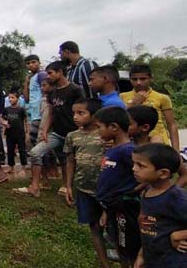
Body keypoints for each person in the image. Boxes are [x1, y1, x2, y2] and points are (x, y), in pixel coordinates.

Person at [15, 61, 85, 198]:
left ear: (60, 72)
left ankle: (66, 186)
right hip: (56, 133)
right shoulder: (53, 92)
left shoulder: (75, 90)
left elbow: (83, 111)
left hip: (73, 133)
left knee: (66, 160)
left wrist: (81, 131)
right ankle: (35, 187)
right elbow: (51, 113)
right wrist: (46, 131)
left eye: (50, 73)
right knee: (35, 152)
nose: (47, 75)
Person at [63, 98, 110, 268]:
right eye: (74, 113)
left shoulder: (105, 135)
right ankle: (105, 263)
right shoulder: (72, 136)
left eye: (81, 113)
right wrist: (68, 185)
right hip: (83, 188)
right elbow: (70, 161)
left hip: (106, 190)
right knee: (94, 226)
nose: (75, 117)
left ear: (95, 115)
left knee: (113, 227)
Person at [95, 107, 140, 267]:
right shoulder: (113, 149)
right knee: (120, 247)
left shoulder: (128, 151)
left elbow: (146, 175)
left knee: (128, 248)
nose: (98, 131)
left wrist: (132, 192)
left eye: (99, 127)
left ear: (114, 127)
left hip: (125, 209)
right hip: (113, 207)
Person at [133, 144, 187, 267]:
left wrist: (178, 235)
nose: (134, 169)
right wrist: (141, 255)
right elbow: (148, 228)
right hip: (154, 260)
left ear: (163, 173)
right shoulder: (147, 191)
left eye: (140, 165)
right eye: (134, 163)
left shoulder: (176, 198)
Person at [120, 64, 180, 150]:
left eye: (143, 79)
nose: (138, 82)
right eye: (134, 79)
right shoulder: (122, 97)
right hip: (133, 143)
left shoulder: (162, 98)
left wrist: (176, 150)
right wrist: (133, 103)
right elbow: (119, 119)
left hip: (159, 143)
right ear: (130, 80)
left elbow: (171, 124)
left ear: (151, 79)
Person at [128, 106, 187, 187]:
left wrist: (169, 194)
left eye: (128, 124)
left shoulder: (160, 150)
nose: (123, 126)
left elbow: (184, 175)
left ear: (145, 127)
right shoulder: (122, 145)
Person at [23, 55, 48, 149]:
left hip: (41, 112)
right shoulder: (31, 78)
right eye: (28, 63)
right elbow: (26, 98)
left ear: (39, 62)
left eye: (33, 62)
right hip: (33, 113)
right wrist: (26, 82)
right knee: (33, 139)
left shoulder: (41, 75)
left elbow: (46, 91)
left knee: (40, 140)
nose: (31, 65)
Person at [3, 91, 28, 177]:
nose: (11, 99)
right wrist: (4, 124)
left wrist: (26, 131)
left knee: (22, 150)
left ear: (17, 98)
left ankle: (23, 167)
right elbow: (3, 119)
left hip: (20, 133)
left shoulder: (21, 109)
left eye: (13, 97)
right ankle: (11, 167)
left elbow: (25, 120)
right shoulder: (6, 109)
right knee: (10, 150)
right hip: (10, 133)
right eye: (9, 97)